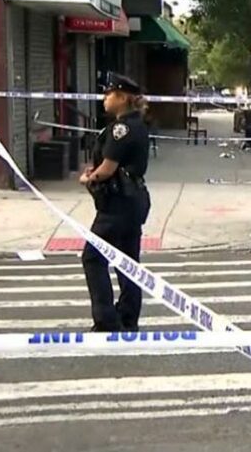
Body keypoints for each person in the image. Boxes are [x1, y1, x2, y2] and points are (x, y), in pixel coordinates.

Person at [80, 72, 152, 332]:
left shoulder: (121, 129)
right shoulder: (138, 124)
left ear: (122, 97)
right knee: (127, 262)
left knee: (93, 257)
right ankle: (128, 318)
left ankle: (107, 319)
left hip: (117, 204)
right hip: (133, 202)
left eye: (109, 93)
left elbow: (108, 168)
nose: (105, 98)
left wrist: (88, 178)